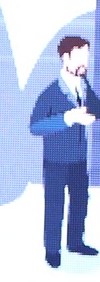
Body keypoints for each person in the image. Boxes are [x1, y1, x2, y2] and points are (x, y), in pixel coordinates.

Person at [29, 34, 96, 267]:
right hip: (56, 160)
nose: (84, 63)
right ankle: (52, 250)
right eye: (79, 57)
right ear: (65, 58)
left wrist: (91, 114)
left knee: (80, 200)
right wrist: (68, 118)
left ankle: (75, 242)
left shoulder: (84, 86)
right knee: (55, 204)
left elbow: (96, 108)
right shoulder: (50, 93)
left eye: (86, 57)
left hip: (79, 158)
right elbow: (35, 126)